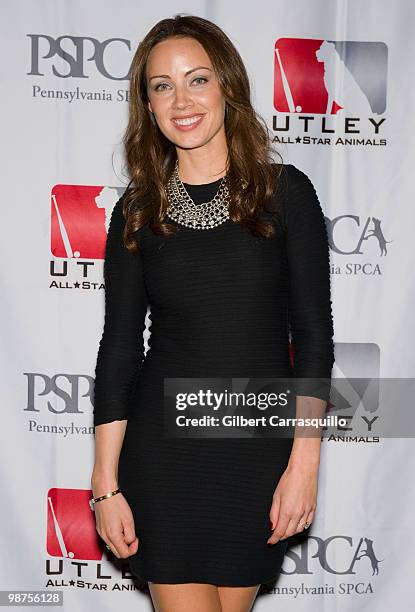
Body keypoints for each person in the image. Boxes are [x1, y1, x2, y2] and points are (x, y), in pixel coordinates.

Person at [90, 13, 335, 612]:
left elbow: (314, 337)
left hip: (256, 450)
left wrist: (305, 465)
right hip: (165, 455)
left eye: (197, 79)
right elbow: (120, 350)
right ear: (146, 105)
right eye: (162, 86)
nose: (182, 100)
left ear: (228, 86)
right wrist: (105, 484)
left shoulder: (286, 193)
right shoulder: (138, 211)